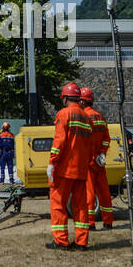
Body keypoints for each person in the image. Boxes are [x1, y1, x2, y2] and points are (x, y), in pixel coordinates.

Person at [47, 82, 94, 250]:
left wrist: (52, 162)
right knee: (81, 206)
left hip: (65, 169)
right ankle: (82, 242)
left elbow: (59, 142)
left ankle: (61, 241)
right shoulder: (87, 118)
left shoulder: (64, 114)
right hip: (81, 170)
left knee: (58, 204)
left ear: (65, 98)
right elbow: (89, 146)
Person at [80, 88, 113, 229]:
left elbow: (83, 140)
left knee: (89, 194)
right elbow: (106, 138)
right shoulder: (100, 117)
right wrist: (102, 153)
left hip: (89, 162)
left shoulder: (84, 118)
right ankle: (108, 222)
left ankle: (90, 223)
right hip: (100, 161)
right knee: (104, 192)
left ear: (82, 101)